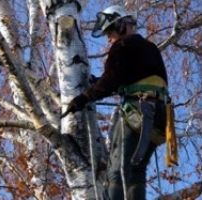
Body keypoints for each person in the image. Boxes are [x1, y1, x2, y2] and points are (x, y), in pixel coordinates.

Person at [63, 5, 169, 200]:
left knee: (117, 171)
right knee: (135, 172)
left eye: (110, 31)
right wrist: (99, 83)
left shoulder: (122, 47)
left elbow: (112, 79)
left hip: (140, 112)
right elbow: (125, 78)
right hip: (160, 116)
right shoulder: (149, 48)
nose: (108, 38)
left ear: (122, 26)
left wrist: (83, 97)